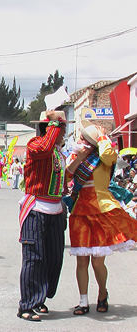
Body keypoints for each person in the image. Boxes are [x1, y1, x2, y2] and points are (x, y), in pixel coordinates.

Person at [65, 120, 137, 316]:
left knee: (97, 262)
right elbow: (67, 176)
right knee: (81, 261)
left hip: (100, 210)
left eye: (84, 138)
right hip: (81, 211)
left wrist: (102, 137)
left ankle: (103, 294)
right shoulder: (77, 156)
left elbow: (108, 154)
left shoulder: (103, 157)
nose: (80, 140)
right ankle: (82, 301)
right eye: (81, 137)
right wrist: (79, 157)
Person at [17, 110, 69, 321]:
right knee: (34, 257)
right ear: (51, 128)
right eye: (62, 127)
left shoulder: (58, 151)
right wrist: (53, 125)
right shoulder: (36, 144)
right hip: (36, 208)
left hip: (55, 209)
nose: (65, 131)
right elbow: (44, 149)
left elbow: (61, 176)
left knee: (54, 257)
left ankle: (39, 299)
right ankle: (26, 305)